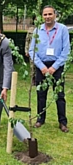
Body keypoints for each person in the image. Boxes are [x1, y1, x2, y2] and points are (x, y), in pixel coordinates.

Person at [29, 5, 70, 133]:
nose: (47, 17)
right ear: (42, 16)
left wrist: (54, 67)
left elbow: (66, 51)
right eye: (45, 14)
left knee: (59, 95)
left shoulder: (62, 29)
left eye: (50, 14)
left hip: (57, 66)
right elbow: (31, 50)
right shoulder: (37, 31)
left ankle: (62, 122)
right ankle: (40, 119)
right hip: (41, 67)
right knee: (41, 94)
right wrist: (42, 67)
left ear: (55, 15)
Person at [25, 15, 36, 85]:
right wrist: (26, 50)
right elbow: (27, 40)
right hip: (32, 51)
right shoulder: (30, 29)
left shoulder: (43, 29)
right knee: (32, 66)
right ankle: (33, 79)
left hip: (40, 51)